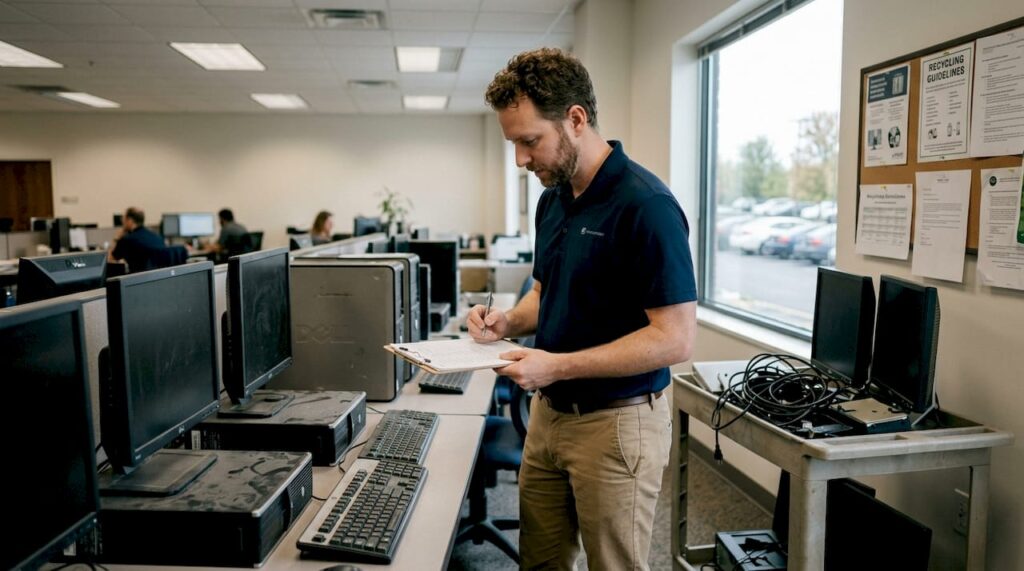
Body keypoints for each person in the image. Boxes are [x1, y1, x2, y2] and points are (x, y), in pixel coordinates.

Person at [468, 48, 697, 570]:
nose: (521, 161)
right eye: (514, 145)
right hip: (548, 417)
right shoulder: (554, 198)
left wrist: (557, 364)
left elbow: (675, 339)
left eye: (530, 141)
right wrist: (508, 321)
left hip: (617, 425)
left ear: (576, 119)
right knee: (540, 562)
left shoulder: (646, 205)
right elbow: (544, 295)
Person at [108, 207, 166, 273]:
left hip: (137, 280)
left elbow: (110, 259)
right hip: (158, 277)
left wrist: (116, 238)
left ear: (130, 220)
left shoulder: (127, 240)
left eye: (123, 218)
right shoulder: (157, 237)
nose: (122, 221)